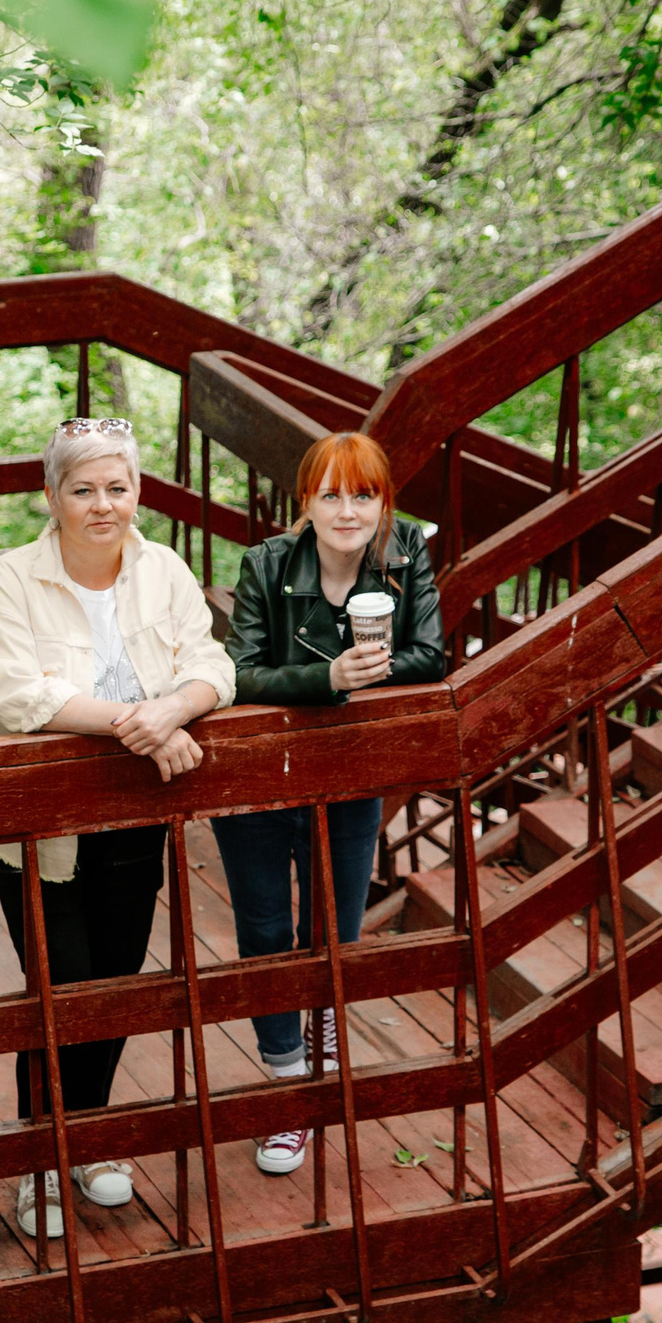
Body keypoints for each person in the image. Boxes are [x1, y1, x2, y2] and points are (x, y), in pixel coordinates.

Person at [0, 415, 234, 1239]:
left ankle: (87, 1141)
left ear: (137, 494)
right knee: (61, 990)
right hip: (41, 823)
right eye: (82, 489)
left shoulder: (164, 571)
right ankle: (39, 1160)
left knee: (115, 987)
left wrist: (176, 708)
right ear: (51, 498)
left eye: (116, 488)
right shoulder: (11, 579)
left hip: (134, 814)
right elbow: (16, 695)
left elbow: (211, 663)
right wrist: (142, 719)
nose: (101, 504)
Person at [211, 431, 444, 1175]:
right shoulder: (268, 562)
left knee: (334, 927)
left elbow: (432, 653)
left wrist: (374, 669)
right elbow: (242, 673)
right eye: (331, 493)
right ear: (305, 501)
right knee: (266, 927)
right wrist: (329, 678)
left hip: (350, 772)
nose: (349, 509)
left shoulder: (406, 549)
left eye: (364, 493)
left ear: (384, 500)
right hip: (257, 774)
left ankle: (320, 1053)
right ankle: (287, 1085)